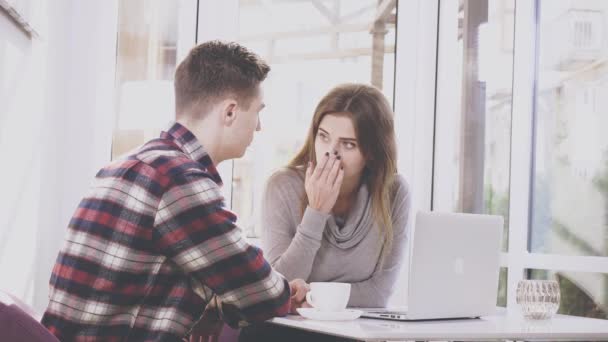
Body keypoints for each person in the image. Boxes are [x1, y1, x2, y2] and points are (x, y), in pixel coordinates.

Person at [41, 41, 308, 341]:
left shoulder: (130, 164)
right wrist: (286, 291)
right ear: (230, 112)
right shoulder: (181, 181)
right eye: (258, 112)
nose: (258, 127)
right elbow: (263, 294)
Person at [260, 83, 410, 308]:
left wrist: (314, 295)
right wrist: (316, 212)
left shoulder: (394, 192)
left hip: (359, 331)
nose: (331, 153)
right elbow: (278, 288)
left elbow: (379, 293)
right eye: (323, 137)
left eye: (348, 144)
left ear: (371, 152)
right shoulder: (282, 186)